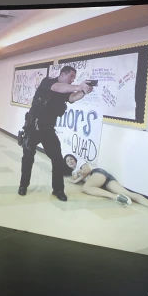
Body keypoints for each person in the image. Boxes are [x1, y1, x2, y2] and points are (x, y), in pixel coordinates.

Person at [18, 66, 93, 202]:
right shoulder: (48, 82)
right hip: (33, 128)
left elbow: (72, 97)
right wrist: (78, 85)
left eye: (74, 78)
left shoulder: (66, 89)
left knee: (58, 159)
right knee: (28, 158)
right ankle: (23, 185)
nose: (72, 80)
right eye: (71, 77)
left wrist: (84, 91)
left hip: (48, 130)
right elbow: (58, 88)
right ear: (63, 74)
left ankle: (58, 190)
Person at [69, 163, 148, 214]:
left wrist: (77, 177)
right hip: (105, 181)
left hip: (99, 173)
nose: (70, 162)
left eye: (70, 159)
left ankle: (115, 196)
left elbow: (87, 170)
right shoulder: (76, 171)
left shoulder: (81, 163)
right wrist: (75, 176)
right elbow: (73, 177)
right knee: (127, 193)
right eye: (68, 162)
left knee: (86, 188)